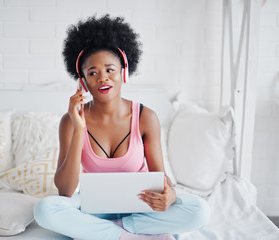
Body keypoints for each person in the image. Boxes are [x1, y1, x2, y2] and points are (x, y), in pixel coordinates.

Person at [34, 15, 210, 240]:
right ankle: (128, 236)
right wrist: (79, 129)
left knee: (199, 210)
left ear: (123, 72)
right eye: (93, 73)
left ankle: (111, 232)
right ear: (83, 81)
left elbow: (161, 178)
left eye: (110, 70)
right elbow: (65, 191)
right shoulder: (70, 121)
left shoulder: (146, 117)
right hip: (92, 210)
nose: (102, 78)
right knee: (45, 210)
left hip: (139, 208)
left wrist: (171, 195)